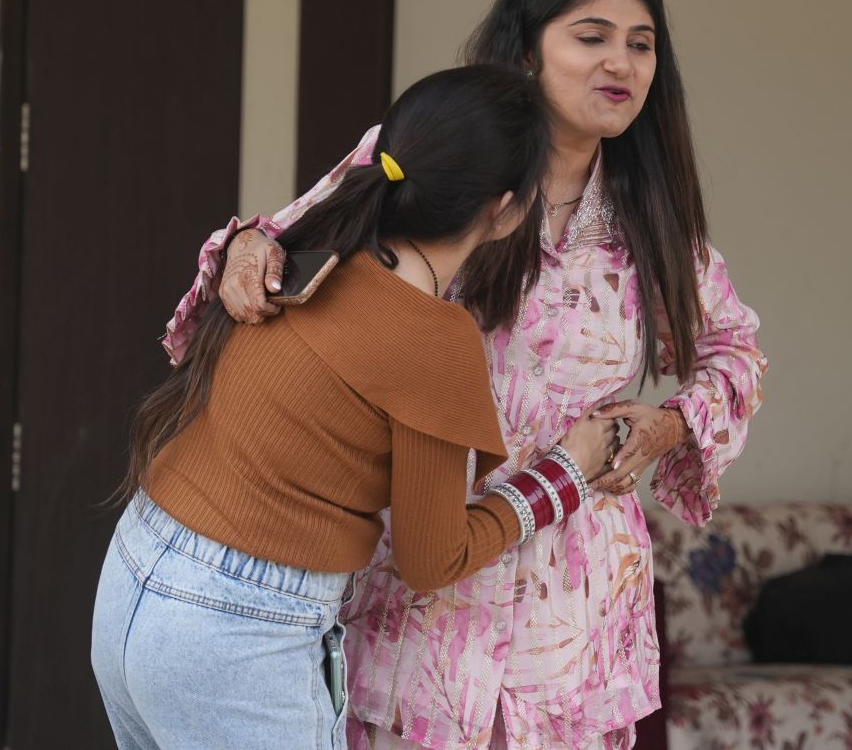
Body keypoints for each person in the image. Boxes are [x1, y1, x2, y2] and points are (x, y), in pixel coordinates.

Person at [164, 0, 769, 750]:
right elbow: (286, 240)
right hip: (419, 584)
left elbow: (736, 351)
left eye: (640, 43)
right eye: (590, 36)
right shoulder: (434, 155)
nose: (619, 62)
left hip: (571, 613)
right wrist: (248, 249)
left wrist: (667, 425)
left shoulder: (650, 218)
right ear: (526, 51)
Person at [93, 65, 619, 750]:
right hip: (237, 631)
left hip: (134, 573)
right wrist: (566, 474)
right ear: (507, 208)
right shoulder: (435, 340)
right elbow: (434, 557)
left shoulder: (315, 244)